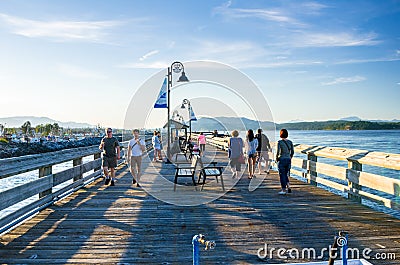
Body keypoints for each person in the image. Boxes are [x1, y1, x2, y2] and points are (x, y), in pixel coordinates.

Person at [276, 129, 294, 195]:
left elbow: (278, 152)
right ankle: (288, 186)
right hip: (288, 159)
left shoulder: (279, 142)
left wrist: (276, 158)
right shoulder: (290, 142)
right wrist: (290, 157)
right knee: (286, 174)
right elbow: (292, 152)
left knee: (282, 175)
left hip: (282, 159)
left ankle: (283, 190)